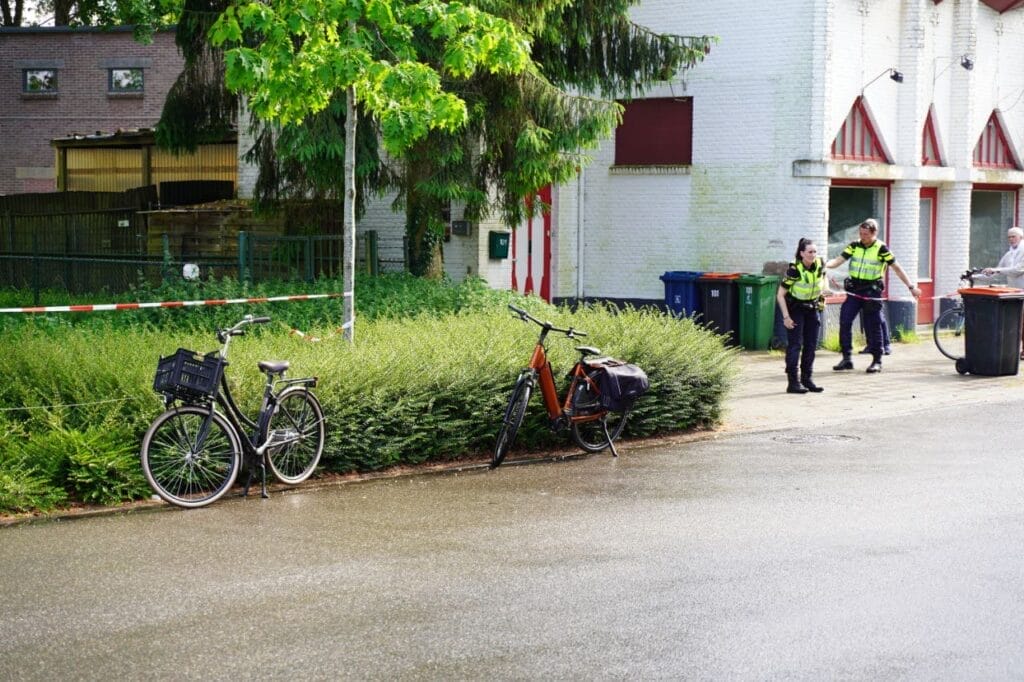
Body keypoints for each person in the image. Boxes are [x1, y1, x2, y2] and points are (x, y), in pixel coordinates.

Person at [825, 218, 921, 373]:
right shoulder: (855, 246)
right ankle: (847, 358)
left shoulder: (881, 248)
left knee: (873, 324)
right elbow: (838, 261)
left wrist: (911, 287)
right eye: (861, 233)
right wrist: (824, 264)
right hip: (854, 290)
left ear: (874, 233)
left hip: (871, 291)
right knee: (845, 320)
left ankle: (877, 360)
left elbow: (897, 268)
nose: (863, 237)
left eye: (866, 234)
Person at [776, 237, 829, 394]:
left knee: (811, 346)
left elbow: (823, 278)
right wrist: (786, 317)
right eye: (809, 252)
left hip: (812, 309)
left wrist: (825, 289)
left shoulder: (819, 263)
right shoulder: (794, 270)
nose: (813, 255)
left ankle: (807, 379)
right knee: (795, 346)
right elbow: (780, 294)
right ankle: (793, 383)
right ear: (801, 253)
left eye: (815, 251)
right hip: (796, 310)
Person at [980, 225, 1024, 358]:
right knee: (1018, 320)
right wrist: (977, 276)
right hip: (1015, 292)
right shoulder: (1009, 253)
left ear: (1021, 237)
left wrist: (996, 270)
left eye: (1013, 236)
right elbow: (998, 270)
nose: (1011, 239)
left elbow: (1017, 270)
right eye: (1009, 237)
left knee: (1022, 321)